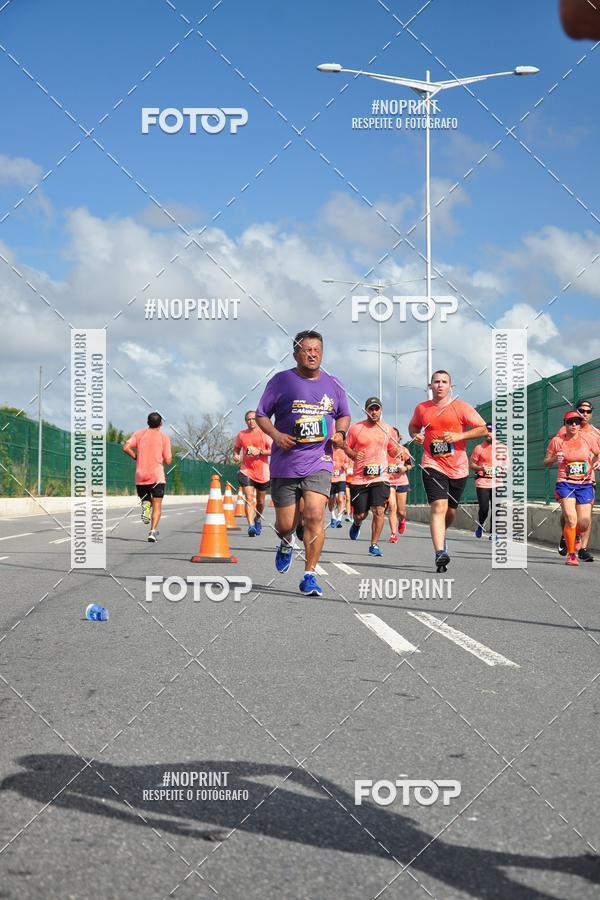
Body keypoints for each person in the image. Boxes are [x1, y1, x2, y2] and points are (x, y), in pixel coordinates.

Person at [256, 330, 350, 597]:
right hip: (285, 463)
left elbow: (343, 415)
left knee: (314, 516)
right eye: (307, 349)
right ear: (296, 353)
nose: (312, 354)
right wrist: (276, 435)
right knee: (285, 524)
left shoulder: (334, 384)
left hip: (320, 460)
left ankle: (310, 574)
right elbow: (262, 414)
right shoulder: (281, 381)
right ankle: (286, 542)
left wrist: (341, 433)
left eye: (317, 349)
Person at [408, 370, 487, 572]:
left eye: (444, 382)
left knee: (451, 511)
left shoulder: (461, 407)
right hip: (432, 464)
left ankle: (442, 535)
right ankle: (440, 552)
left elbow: (483, 429)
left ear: (451, 386)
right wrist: (416, 436)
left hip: (458, 468)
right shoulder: (422, 408)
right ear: (430, 386)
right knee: (438, 507)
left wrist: (459, 437)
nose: (440, 385)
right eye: (436, 382)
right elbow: (413, 427)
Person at [344, 398, 400, 557]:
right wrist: (354, 454)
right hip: (360, 478)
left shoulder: (388, 429)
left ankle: (373, 544)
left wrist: (399, 451)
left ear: (381, 410)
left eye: (377, 409)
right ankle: (356, 523)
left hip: (380, 478)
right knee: (361, 514)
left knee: (379, 510)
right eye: (371, 409)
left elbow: (393, 451)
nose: (374, 412)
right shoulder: (356, 428)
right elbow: (345, 447)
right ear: (366, 410)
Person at [544, 411, 600, 566]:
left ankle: (573, 535)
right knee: (571, 518)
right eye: (570, 422)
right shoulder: (557, 441)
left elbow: (598, 453)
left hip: (585, 483)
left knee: (583, 522)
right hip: (565, 483)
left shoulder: (587, 439)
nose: (574, 425)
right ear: (565, 424)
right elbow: (546, 462)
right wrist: (555, 458)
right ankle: (571, 554)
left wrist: (598, 461)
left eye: (577, 421)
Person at [556, 400, 599, 560]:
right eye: (581, 410)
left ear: (591, 413)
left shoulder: (595, 433)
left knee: (585, 517)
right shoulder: (565, 429)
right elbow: (557, 449)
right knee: (569, 515)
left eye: (588, 411)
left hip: (588, 479)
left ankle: (583, 548)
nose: (585, 414)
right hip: (567, 480)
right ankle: (566, 534)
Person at [123, 412, 172, 542]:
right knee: (157, 506)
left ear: (147, 422)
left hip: (141, 476)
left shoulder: (139, 434)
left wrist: (135, 457)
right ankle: (152, 532)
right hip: (157, 476)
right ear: (161, 424)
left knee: (147, 500)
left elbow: (126, 447)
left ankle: (145, 505)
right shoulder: (164, 437)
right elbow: (168, 460)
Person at [233, 410, 272, 537]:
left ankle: (257, 519)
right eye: (249, 419)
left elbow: (273, 450)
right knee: (249, 498)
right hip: (246, 470)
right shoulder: (241, 435)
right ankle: (250, 526)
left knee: (260, 502)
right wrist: (236, 455)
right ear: (246, 421)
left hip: (262, 473)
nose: (251, 421)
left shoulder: (264, 433)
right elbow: (237, 448)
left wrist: (259, 452)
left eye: (254, 419)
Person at [469, 423, 508, 541]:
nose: (489, 434)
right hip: (482, 482)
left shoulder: (503, 448)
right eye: (487, 431)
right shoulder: (479, 448)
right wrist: (481, 468)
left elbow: (507, 465)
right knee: (484, 508)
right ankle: (480, 525)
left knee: (497, 508)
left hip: (497, 483)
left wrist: (501, 470)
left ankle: (494, 533)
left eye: (492, 431)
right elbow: (471, 464)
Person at [386, 427, 413, 543]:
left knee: (401, 511)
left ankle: (402, 520)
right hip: (388, 482)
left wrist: (404, 468)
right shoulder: (383, 450)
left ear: (398, 437)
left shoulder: (404, 450)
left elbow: (410, 465)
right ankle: (393, 534)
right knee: (392, 507)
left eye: (394, 435)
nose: (392, 438)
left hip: (401, 482)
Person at [328, 446, 348, 527]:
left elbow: (347, 462)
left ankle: (339, 519)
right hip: (331, 479)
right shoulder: (329, 450)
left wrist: (345, 466)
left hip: (341, 478)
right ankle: (333, 517)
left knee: (340, 499)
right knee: (331, 500)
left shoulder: (344, 451)